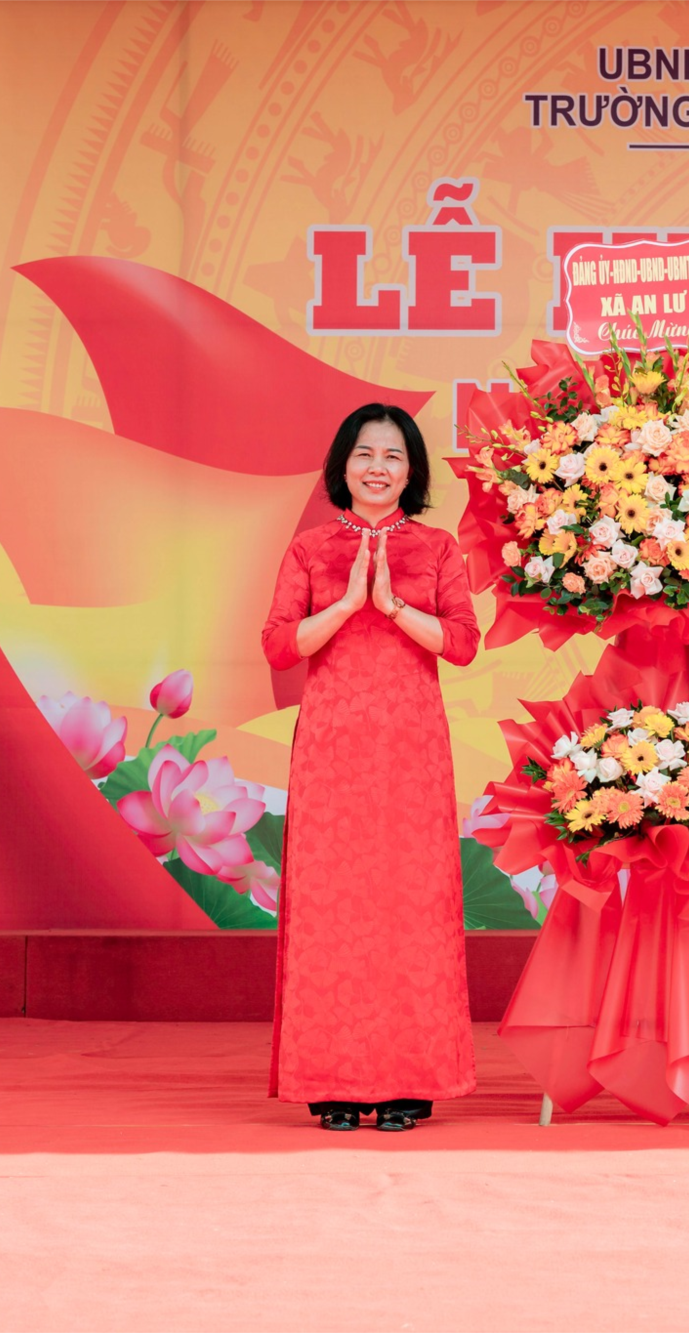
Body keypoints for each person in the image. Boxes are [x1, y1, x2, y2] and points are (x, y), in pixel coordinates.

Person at [259, 403, 480, 1131]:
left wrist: (390, 606)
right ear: (342, 466)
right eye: (364, 454)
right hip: (332, 750)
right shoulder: (311, 550)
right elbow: (280, 646)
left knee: (411, 906)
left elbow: (462, 643)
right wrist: (349, 602)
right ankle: (333, 1080)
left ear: (412, 469)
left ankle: (409, 1079)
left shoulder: (437, 548)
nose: (377, 468)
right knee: (332, 910)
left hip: (412, 753)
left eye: (392, 455)